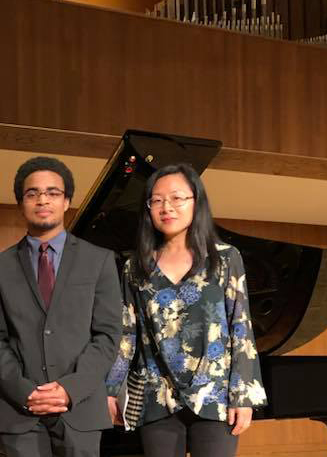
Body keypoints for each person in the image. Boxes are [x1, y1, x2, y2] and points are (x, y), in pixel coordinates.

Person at [105, 163, 266, 457]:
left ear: (196, 202)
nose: (166, 207)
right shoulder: (135, 267)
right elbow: (126, 333)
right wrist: (111, 389)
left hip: (215, 395)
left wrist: (243, 396)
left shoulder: (226, 259)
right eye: (156, 200)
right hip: (156, 395)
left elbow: (241, 328)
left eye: (177, 198)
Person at [0, 156, 122, 457]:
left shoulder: (99, 261)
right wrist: (25, 391)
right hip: (20, 412)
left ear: (67, 201)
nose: (43, 199)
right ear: (21, 203)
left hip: (80, 409)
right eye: (32, 194)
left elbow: (108, 335)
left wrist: (70, 388)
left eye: (52, 192)